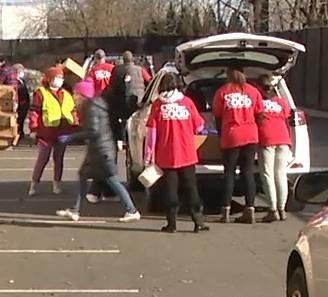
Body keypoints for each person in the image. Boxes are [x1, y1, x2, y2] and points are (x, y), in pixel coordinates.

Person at [57, 79, 142, 224]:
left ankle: (132, 210)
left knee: (112, 180)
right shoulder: (94, 105)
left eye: (76, 94)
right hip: (98, 150)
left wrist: (72, 137)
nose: (74, 97)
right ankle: (74, 210)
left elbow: (94, 131)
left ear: (83, 95)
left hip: (101, 151)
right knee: (83, 175)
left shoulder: (91, 108)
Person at [146, 72, 208, 233]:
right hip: (187, 153)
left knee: (170, 190)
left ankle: (171, 224)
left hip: (166, 154)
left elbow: (151, 133)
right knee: (191, 188)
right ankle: (198, 221)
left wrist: (148, 156)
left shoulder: (158, 105)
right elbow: (200, 126)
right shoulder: (187, 102)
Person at [212, 66, 263, 224]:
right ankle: (250, 209)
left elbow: (217, 115)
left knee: (229, 173)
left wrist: (221, 134)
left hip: (231, 135)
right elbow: (260, 113)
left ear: (229, 75)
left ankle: (225, 211)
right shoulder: (253, 91)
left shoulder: (222, 92)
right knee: (248, 172)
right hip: (250, 135)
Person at [26, 65, 78, 198]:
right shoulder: (41, 93)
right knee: (43, 159)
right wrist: (33, 128)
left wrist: (75, 126)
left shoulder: (66, 94)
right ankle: (34, 183)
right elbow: (35, 112)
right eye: (57, 77)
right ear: (49, 79)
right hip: (46, 132)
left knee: (59, 159)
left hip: (62, 131)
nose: (60, 80)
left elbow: (73, 111)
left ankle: (57, 184)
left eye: (61, 77)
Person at [256, 75, 296, 223]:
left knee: (268, 174)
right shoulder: (280, 101)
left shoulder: (258, 103)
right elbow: (287, 116)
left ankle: (272, 209)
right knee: (281, 174)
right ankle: (282, 208)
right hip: (283, 138)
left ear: (259, 87)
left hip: (267, 139)